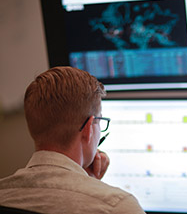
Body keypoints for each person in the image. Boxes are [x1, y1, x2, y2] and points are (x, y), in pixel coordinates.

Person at [0, 67, 145, 214]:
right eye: (100, 120)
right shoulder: (116, 206)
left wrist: (89, 181)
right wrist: (94, 188)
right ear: (89, 128)